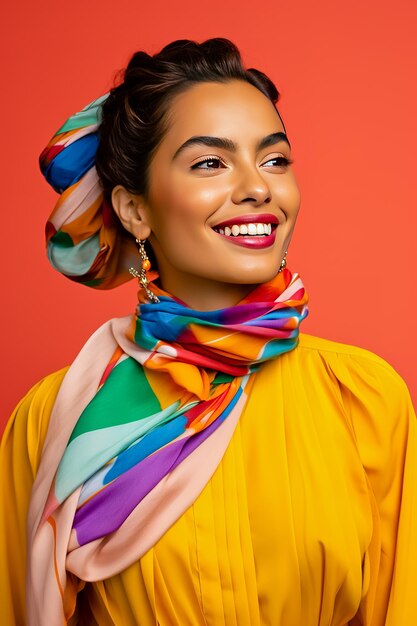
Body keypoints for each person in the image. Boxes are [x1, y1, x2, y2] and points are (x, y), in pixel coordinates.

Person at [0, 38, 416, 626]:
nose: (258, 187)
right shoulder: (54, 422)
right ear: (134, 210)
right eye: (210, 163)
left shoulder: (364, 401)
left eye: (274, 160)